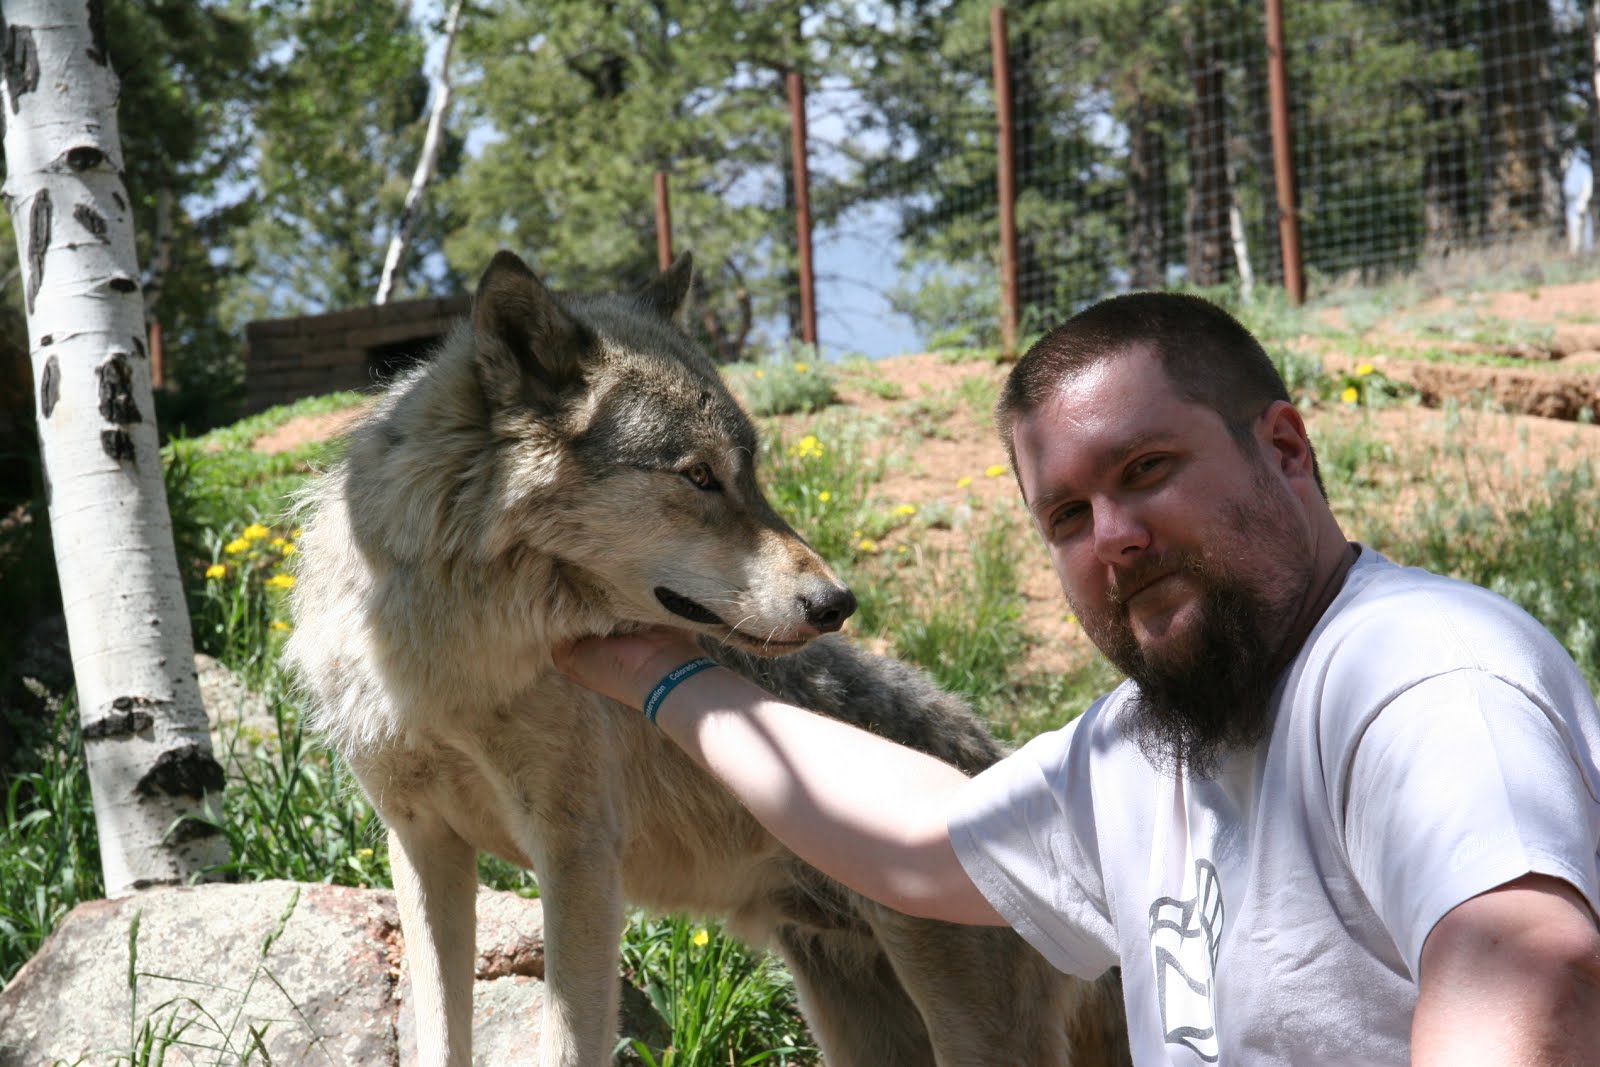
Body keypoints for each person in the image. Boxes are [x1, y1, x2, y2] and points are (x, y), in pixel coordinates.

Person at [554, 292, 1600, 1065]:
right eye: (1066, 516)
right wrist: (659, 670)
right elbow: (927, 843)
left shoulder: (1413, 671)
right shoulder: (1157, 736)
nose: (1116, 537)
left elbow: (1534, 972)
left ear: (1285, 449)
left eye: (1146, 470)